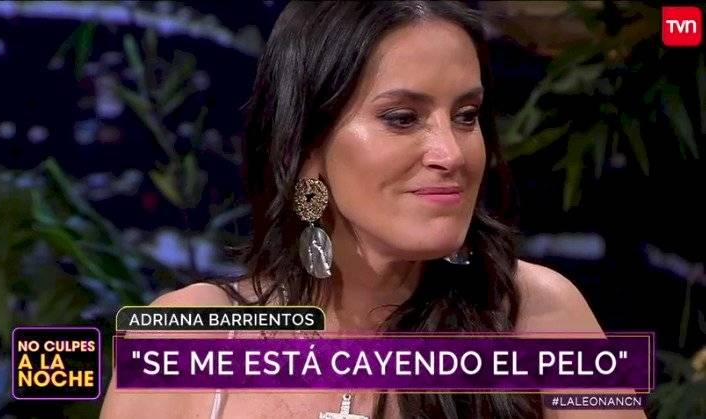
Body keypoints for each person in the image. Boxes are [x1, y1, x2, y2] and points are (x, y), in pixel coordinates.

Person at [102, 2, 646, 418]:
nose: (452, 154)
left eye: (466, 115)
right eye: (403, 118)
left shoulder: (538, 316)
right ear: (306, 147)